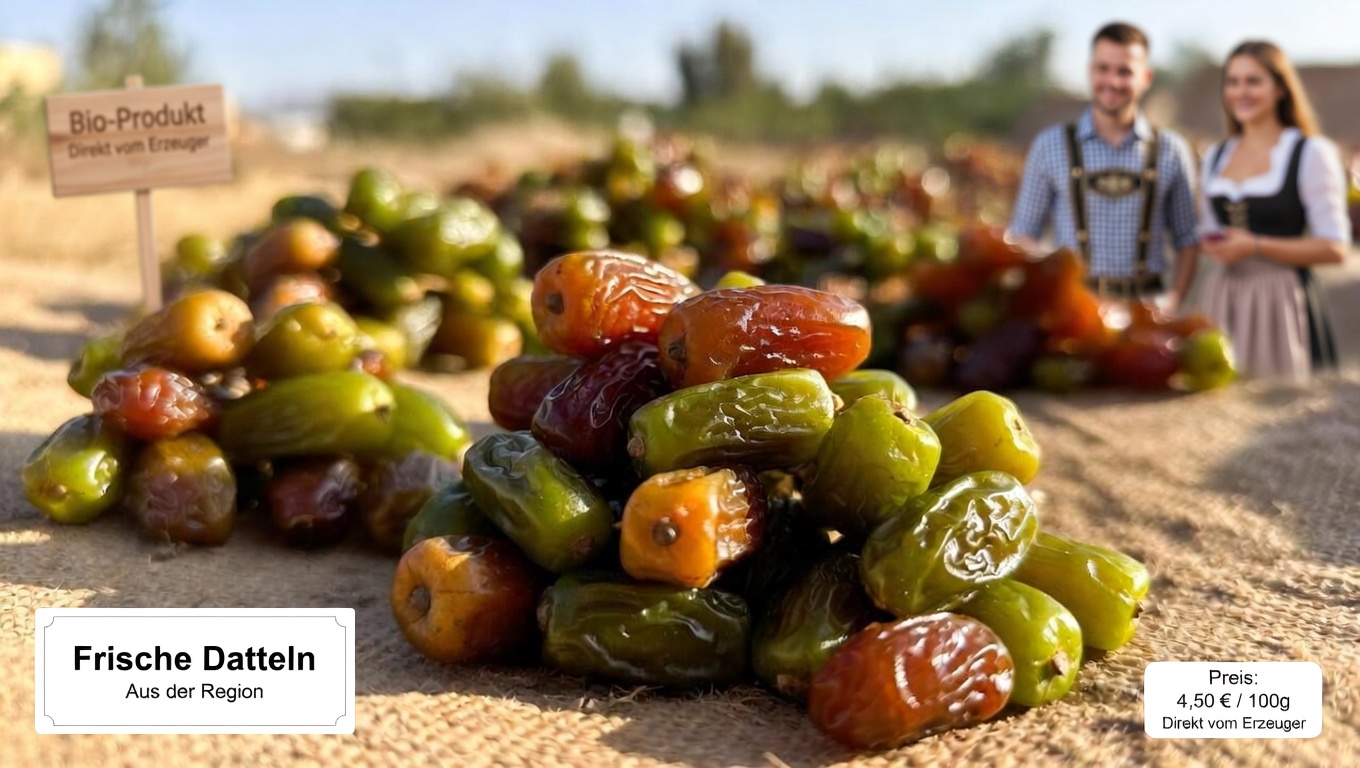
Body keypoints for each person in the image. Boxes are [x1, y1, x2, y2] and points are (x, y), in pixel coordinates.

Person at [1008, 22, 1200, 309]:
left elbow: (1188, 237)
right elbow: (1024, 231)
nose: (1112, 81)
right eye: (1103, 69)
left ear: (1146, 78)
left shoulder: (1172, 150)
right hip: (1075, 309)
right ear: (1090, 71)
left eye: (1124, 72)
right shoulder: (1050, 145)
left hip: (1143, 311)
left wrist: (1173, 301)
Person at [1195, 40, 1350, 381]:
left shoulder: (1310, 153)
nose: (1240, 92)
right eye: (1232, 82)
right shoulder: (1215, 157)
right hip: (1223, 298)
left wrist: (1254, 246)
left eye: (1253, 81)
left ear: (1280, 87)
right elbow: (1207, 228)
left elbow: (1335, 249)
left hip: (1283, 304)